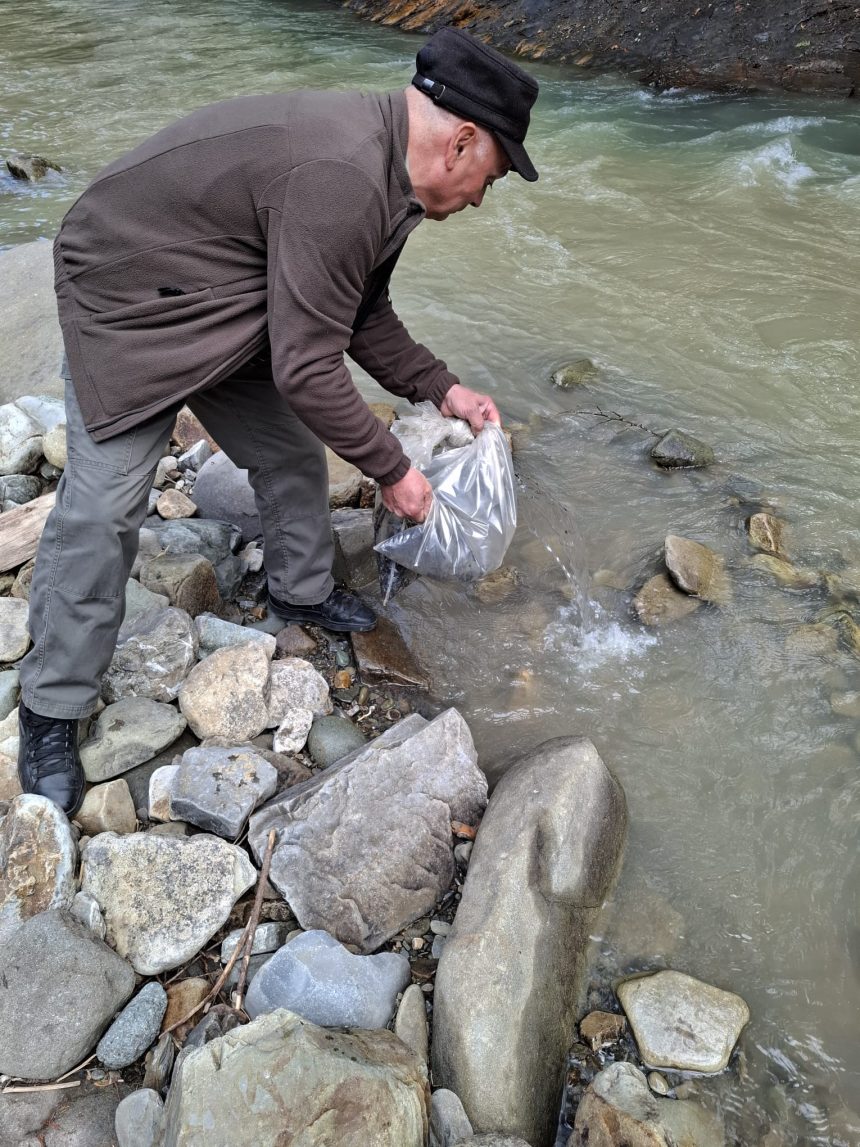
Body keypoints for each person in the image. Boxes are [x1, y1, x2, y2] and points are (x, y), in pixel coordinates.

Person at [16, 27, 540, 815]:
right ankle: (50, 707)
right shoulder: (342, 178)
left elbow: (358, 311)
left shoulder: (386, 178)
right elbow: (305, 366)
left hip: (227, 295)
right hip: (128, 293)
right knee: (101, 508)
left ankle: (298, 591)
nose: (479, 198)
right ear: (462, 142)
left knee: (292, 454)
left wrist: (443, 389)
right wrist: (393, 472)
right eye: (491, 179)